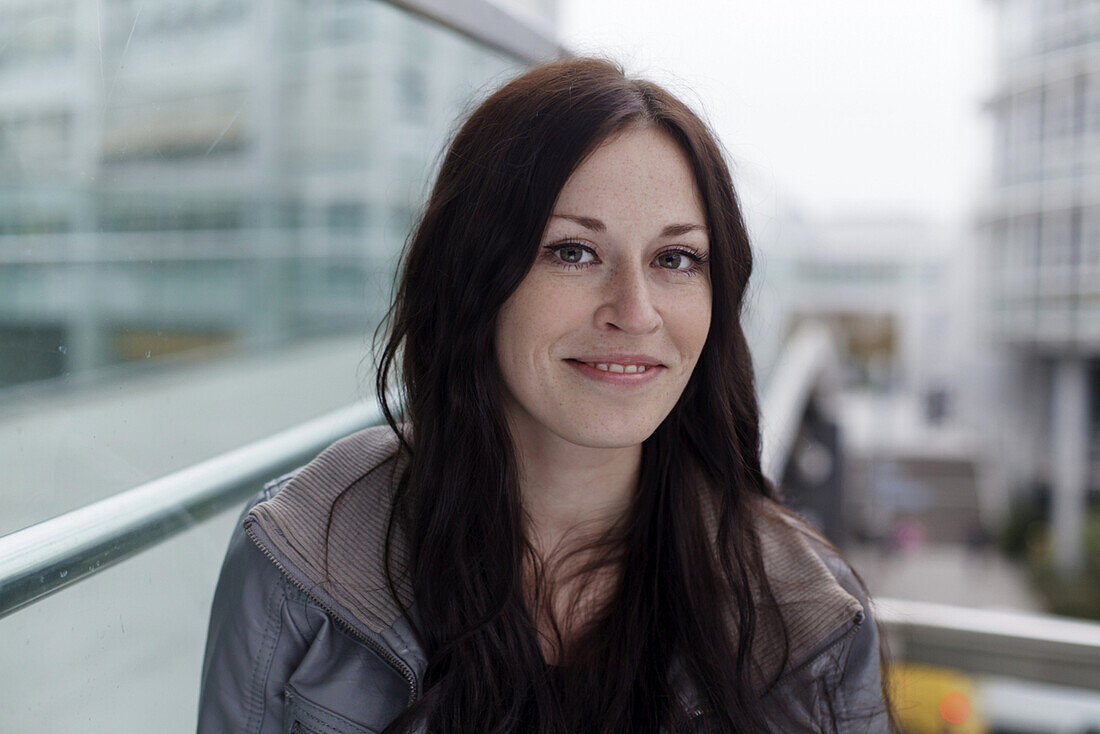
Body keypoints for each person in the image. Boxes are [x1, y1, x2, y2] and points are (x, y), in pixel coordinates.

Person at [197, 56, 897, 733]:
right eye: (573, 251)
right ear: (474, 273)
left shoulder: (810, 617)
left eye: (675, 259)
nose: (636, 311)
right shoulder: (299, 557)